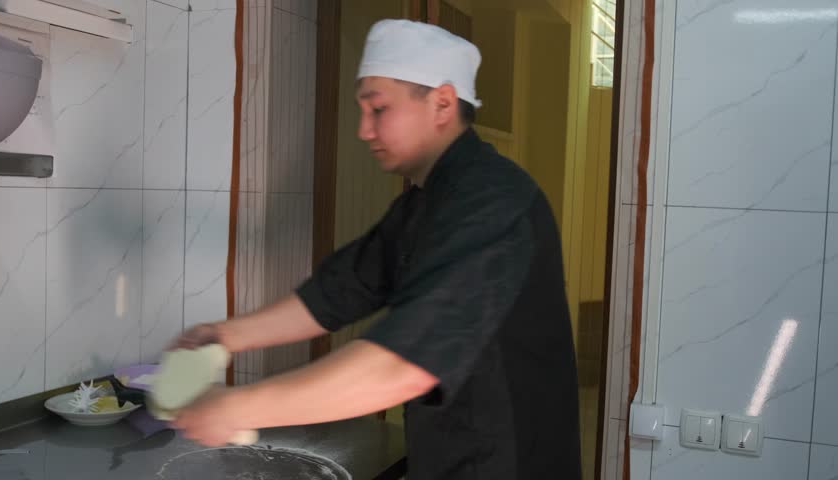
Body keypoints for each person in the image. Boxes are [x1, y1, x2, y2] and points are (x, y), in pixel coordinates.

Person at [169, 19, 582, 479]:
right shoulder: (425, 202)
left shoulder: (493, 202)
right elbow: (337, 292)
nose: (364, 130)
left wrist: (238, 408)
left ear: (442, 103)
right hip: (448, 457)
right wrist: (226, 335)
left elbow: (402, 367)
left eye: (378, 109)